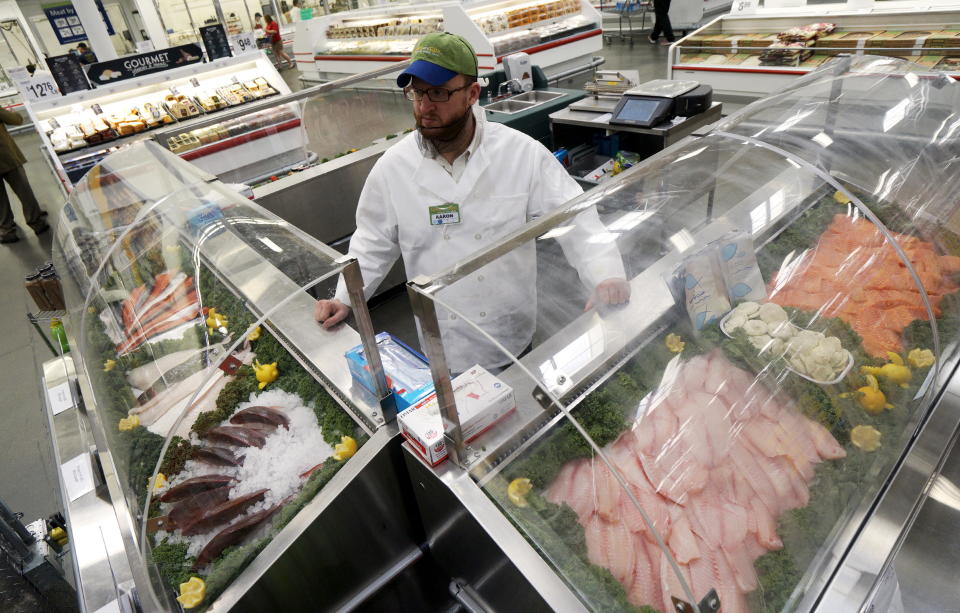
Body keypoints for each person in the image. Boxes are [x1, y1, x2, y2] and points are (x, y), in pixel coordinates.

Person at [314, 33, 630, 373]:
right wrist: (343, 298)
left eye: (438, 92)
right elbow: (372, 242)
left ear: (472, 94)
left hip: (511, 338)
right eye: (416, 92)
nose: (424, 107)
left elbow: (577, 219)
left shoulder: (520, 154)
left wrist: (606, 275)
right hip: (441, 343)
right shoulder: (394, 167)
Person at [0, 109, 48, 244]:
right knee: (24, 191)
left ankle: (7, 230)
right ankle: (36, 222)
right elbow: (16, 120)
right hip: (6, 157)